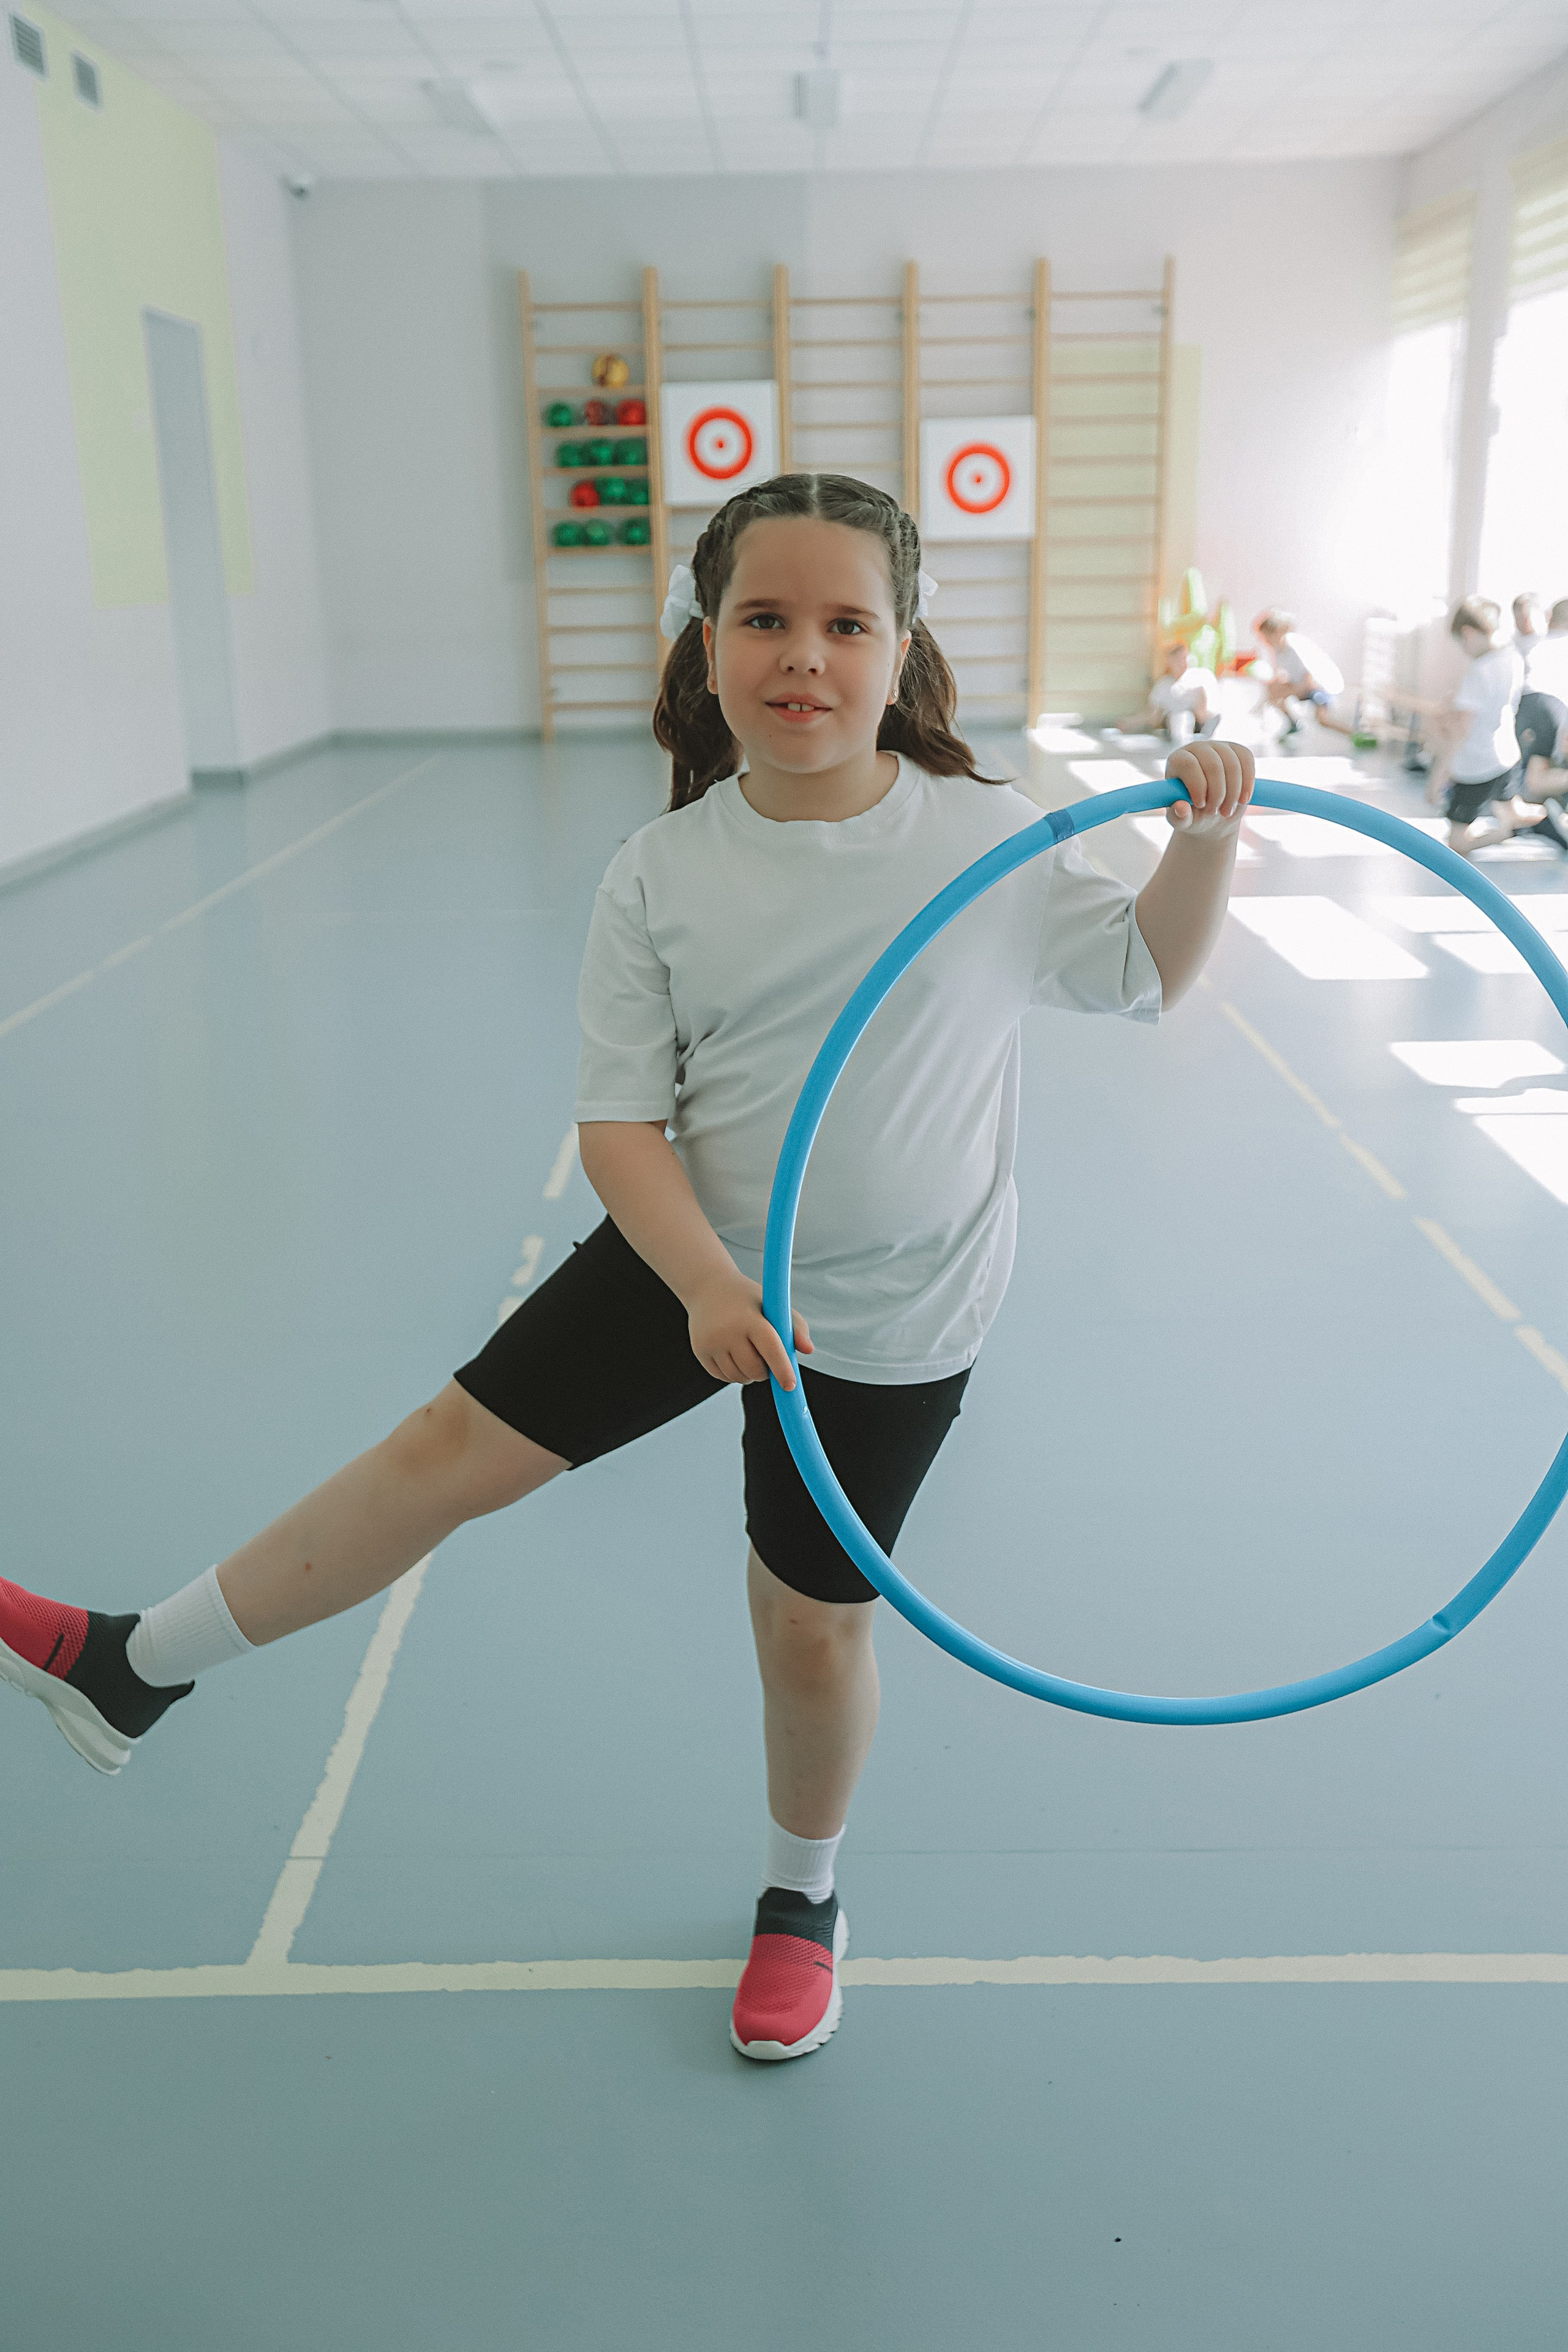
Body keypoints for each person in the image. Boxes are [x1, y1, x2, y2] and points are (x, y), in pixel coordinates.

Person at [0, 472, 1254, 2065]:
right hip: (689, 1261)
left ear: (903, 648)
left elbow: (1141, 971)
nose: (804, 656)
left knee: (807, 1624)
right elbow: (619, 1128)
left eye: (846, 624)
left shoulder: (987, 839)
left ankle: (802, 1899)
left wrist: (1205, 843)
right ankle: (133, 1666)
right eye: (765, 620)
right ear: (706, 642)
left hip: (894, 1309)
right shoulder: (662, 872)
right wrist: (709, 1287)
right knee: (437, 1454)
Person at [1425, 596, 1525, 856]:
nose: (1463, 649)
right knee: (1512, 811)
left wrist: (1438, 777)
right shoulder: (1512, 657)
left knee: (1457, 844)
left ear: (1468, 632)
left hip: (1476, 766)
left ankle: (1511, 832)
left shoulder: (1480, 671)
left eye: (1461, 642)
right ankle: (1517, 826)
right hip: (1507, 756)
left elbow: (1461, 731)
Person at [1253, 609, 1352, 739]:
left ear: (1277, 632)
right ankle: (1293, 723)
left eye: (1267, 636)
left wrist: (1291, 690)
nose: (1265, 641)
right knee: (1273, 690)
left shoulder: (1293, 646)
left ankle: (1354, 733)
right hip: (1301, 686)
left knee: (1323, 720)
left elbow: (1310, 679)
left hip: (1318, 688)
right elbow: (1280, 675)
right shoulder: (1277, 650)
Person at [1112, 639, 1218, 744]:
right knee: (1180, 718)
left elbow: (1203, 716)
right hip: (1172, 725)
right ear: (1170, 661)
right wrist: (1129, 722)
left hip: (1197, 726)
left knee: (1187, 717)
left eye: (1185, 658)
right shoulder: (1163, 685)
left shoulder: (1197, 680)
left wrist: (1200, 697)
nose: (1183, 663)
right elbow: (1152, 716)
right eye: (1178, 659)